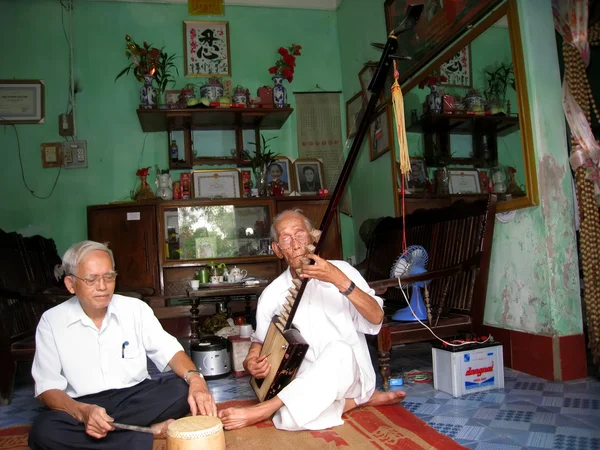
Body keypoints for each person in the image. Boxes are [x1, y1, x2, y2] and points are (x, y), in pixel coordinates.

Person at [218, 210, 405, 431]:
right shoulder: (272, 294)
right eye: (286, 238)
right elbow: (259, 341)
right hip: (303, 386)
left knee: (339, 350)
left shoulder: (343, 271)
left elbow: (376, 317)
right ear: (278, 250)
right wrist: (251, 360)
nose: (296, 244)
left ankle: (267, 409)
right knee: (288, 418)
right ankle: (355, 402)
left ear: (313, 239)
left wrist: (340, 281)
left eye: (300, 234)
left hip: (349, 374)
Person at [29, 241, 216, 450]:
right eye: (91, 279)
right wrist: (82, 412)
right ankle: (147, 435)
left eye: (109, 277)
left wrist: (196, 380)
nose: (102, 286)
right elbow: (48, 388)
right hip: (82, 403)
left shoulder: (135, 309)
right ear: (71, 284)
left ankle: (110, 438)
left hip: (135, 397)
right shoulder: (52, 321)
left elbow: (170, 351)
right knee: (44, 431)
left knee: (181, 389)